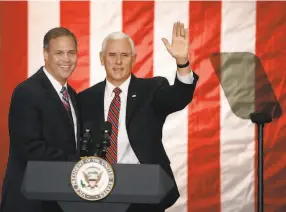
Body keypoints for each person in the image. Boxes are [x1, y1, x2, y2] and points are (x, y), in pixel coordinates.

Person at [77, 21, 199, 212]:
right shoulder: (84, 99)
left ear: (133, 59)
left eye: (124, 55)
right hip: (97, 189)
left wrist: (182, 62)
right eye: (112, 55)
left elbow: (179, 97)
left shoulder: (152, 89)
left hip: (145, 189)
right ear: (101, 59)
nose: (118, 62)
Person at [0, 27, 80, 212]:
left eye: (71, 52)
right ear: (45, 54)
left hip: (61, 199)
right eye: (59, 53)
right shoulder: (27, 92)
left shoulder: (72, 95)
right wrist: (77, 162)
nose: (66, 59)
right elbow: (30, 147)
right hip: (30, 200)